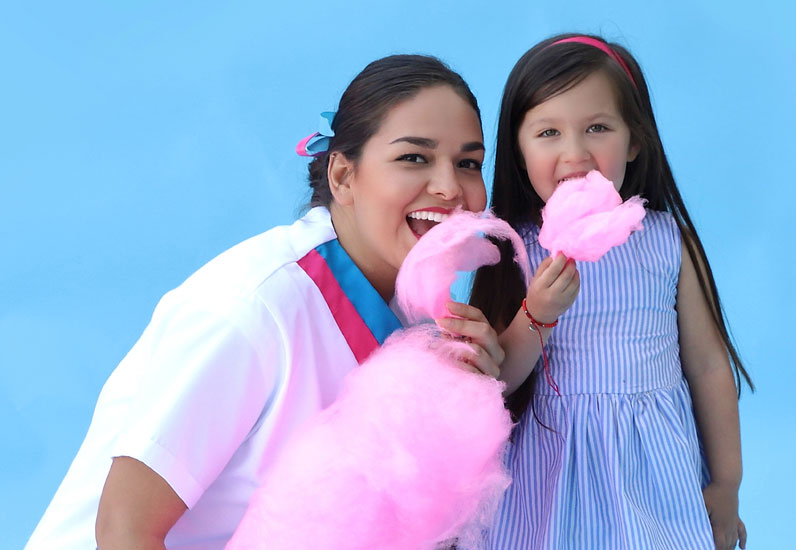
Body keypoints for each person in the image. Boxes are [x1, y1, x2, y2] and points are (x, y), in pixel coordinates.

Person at [26, 54, 505, 550]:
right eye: (414, 158)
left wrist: (472, 397)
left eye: (468, 164)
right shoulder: (255, 305)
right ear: (343, 176)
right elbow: (123, 529)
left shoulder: (419, 324)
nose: (450, 188)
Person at [470, 34, 753, 550]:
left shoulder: (668, 242)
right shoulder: (513, 250)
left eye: (597, 128)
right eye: (548, 132)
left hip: (651, 464)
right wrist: (538, 313)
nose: (575, 154)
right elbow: (496, 383)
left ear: (635, 141)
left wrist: (727, 483)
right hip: (547, 468)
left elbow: (709, 366)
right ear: (518, 149)